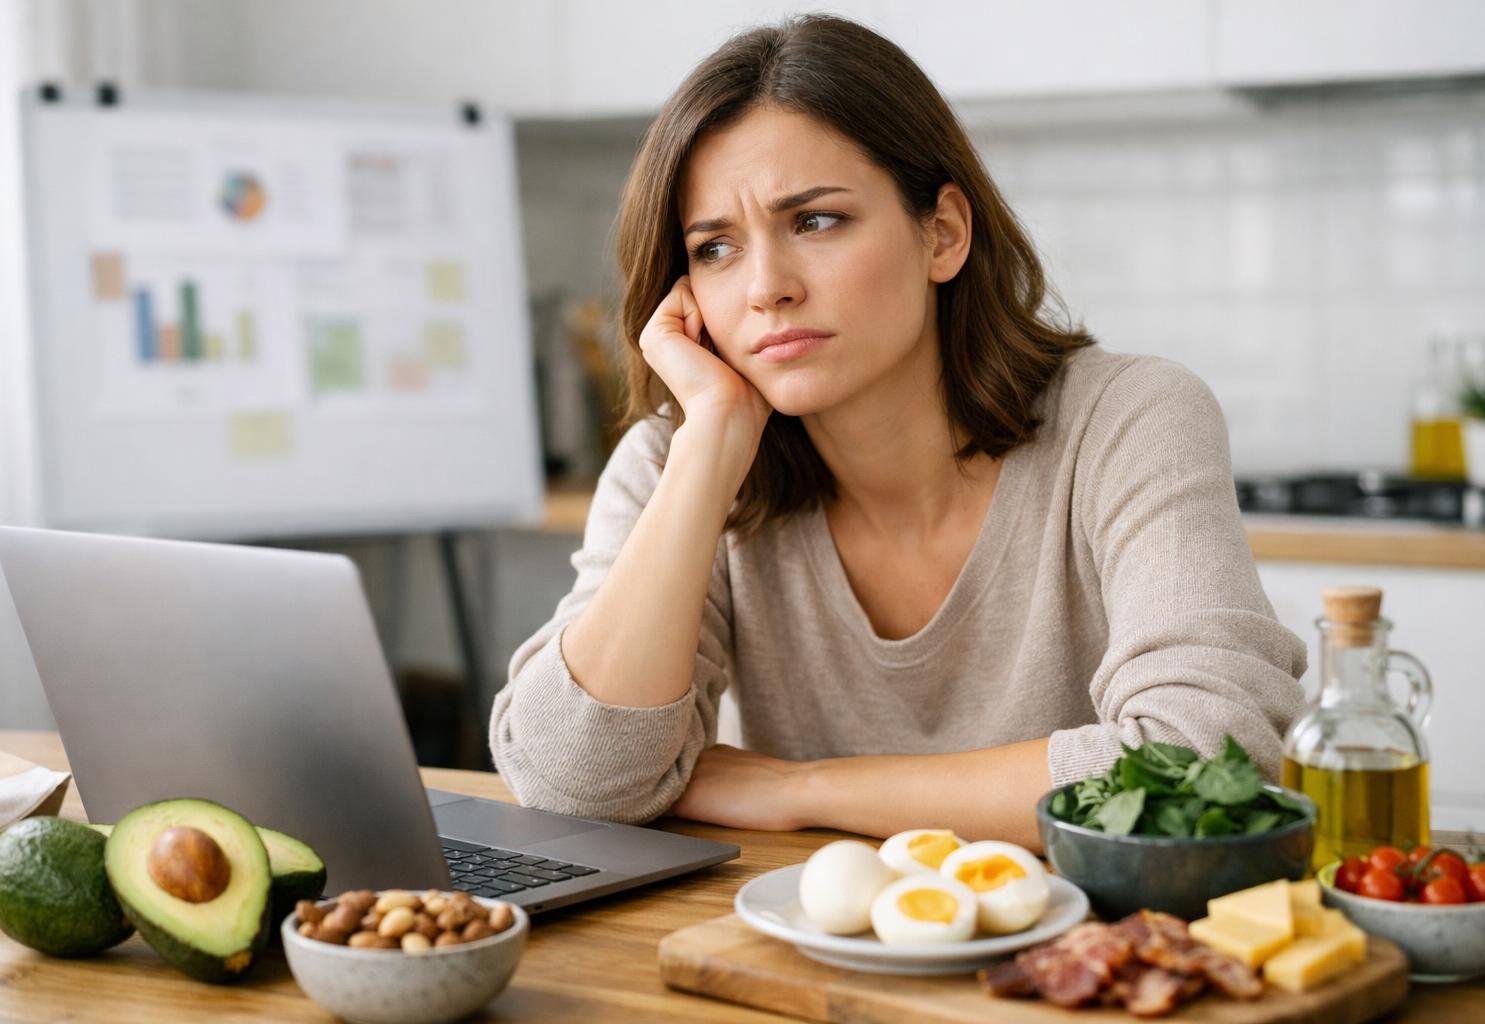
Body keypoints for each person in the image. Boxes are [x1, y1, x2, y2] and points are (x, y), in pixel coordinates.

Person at [489, 14, 1306, 850]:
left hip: (1100, 955)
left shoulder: (1130, 418)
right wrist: (709, 449)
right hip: (811, 955)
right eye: (716, 248)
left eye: (815, 221)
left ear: (942, 234)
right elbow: (569, 784)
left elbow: (1210, 764)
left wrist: (802, 790)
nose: (766, 287)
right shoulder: (681, 457)